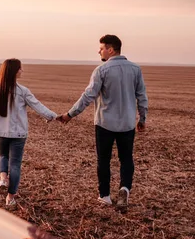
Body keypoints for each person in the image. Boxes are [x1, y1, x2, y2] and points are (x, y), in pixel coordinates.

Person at [57, 34, 148, 208]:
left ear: (111, 49)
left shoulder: (101, 70)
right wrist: (142, 118)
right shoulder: (135, 69)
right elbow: (142, 97)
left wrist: (70, 114)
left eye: (101, 48)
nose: (99, 51)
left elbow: (88, 96)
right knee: (126, 159)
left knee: (103, 160)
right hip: (127, 124)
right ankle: (124, 188)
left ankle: (104, 196)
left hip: (105, 123)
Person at [0, 58, 57, 210]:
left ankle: (3, 179)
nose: (22, 71)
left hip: (0, 132)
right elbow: (38, 106)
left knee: (2, 156)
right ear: (14, 71)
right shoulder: (22, 91)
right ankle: (10, 198)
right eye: (20, 68)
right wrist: (52, 116)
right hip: (18, 134)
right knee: (15, 164)